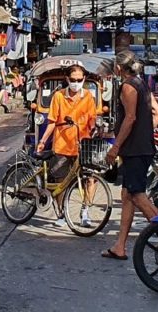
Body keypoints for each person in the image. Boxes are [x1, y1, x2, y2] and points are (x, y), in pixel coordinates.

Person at [103, 50, 158, 260]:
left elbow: (129, 118)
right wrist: (145, 132)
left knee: (137, 195)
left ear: (119, 68)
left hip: (135, 150)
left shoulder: (128, 86)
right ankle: (120, 246)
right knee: (127, 195)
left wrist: (116, 146)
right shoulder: (142, 84)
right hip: (142, 147)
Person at [37, 64, 98, 227]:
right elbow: (51, 122)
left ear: (84, 79)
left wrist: (94, 129)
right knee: (60, 182)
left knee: (90, 179)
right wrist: (43, 141)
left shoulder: (89, 98)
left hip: (82, 146)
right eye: (73, 80)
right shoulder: (58, 96)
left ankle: (85, 210)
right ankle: (61, 214)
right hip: (62, 145)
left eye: (79, 80)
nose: (76, 83)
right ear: (67, 80)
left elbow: (92, 119)